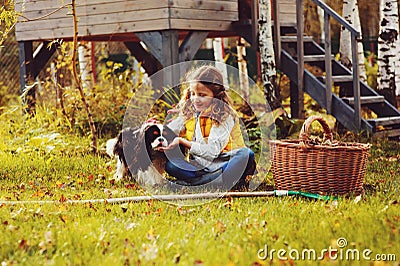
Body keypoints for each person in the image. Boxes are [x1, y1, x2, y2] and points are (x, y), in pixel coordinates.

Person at [160, 65, 256, 191]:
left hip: (225, 163)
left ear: (216, 95)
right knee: (172, 166)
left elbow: (212, 152)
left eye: (202, 95)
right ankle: (215, 182)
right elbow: (171, 129)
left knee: (245, 154)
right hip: (200, 167)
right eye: (193, 94)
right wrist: (155, 127)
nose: (195, 99)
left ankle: (194, 185)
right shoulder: (190, 111)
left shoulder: (225, 114)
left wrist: (183, 141)